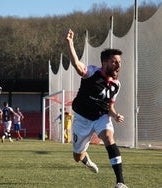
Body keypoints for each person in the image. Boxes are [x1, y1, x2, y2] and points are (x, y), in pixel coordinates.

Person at [66, 29, 127, 188]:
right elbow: (77, 64)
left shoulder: (116, 85)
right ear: (105, 63)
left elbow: (110, 107)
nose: (118, 65)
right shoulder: (92, 72)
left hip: (101, 117)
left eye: (120, 62)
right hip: (82, 118)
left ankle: (120, 182)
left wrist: (115, 115)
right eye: (115, 62)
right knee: (77, 156)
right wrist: (70, 43)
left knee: (108, 137)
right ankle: (86, 160)